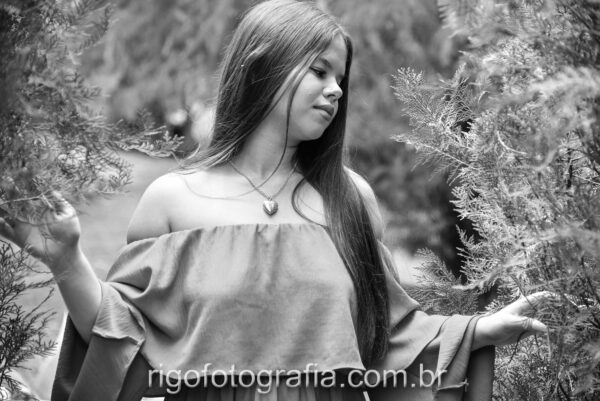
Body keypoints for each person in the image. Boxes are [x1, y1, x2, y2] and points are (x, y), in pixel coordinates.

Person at [0, 1, 549, 400]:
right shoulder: (172, 201)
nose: (336, 89)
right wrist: (66, 259)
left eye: (340, 77)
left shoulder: (350, 199)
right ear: (262, 65)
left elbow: (391, 338)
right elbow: (122, 340)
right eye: (319, 71)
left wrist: (478, 331)